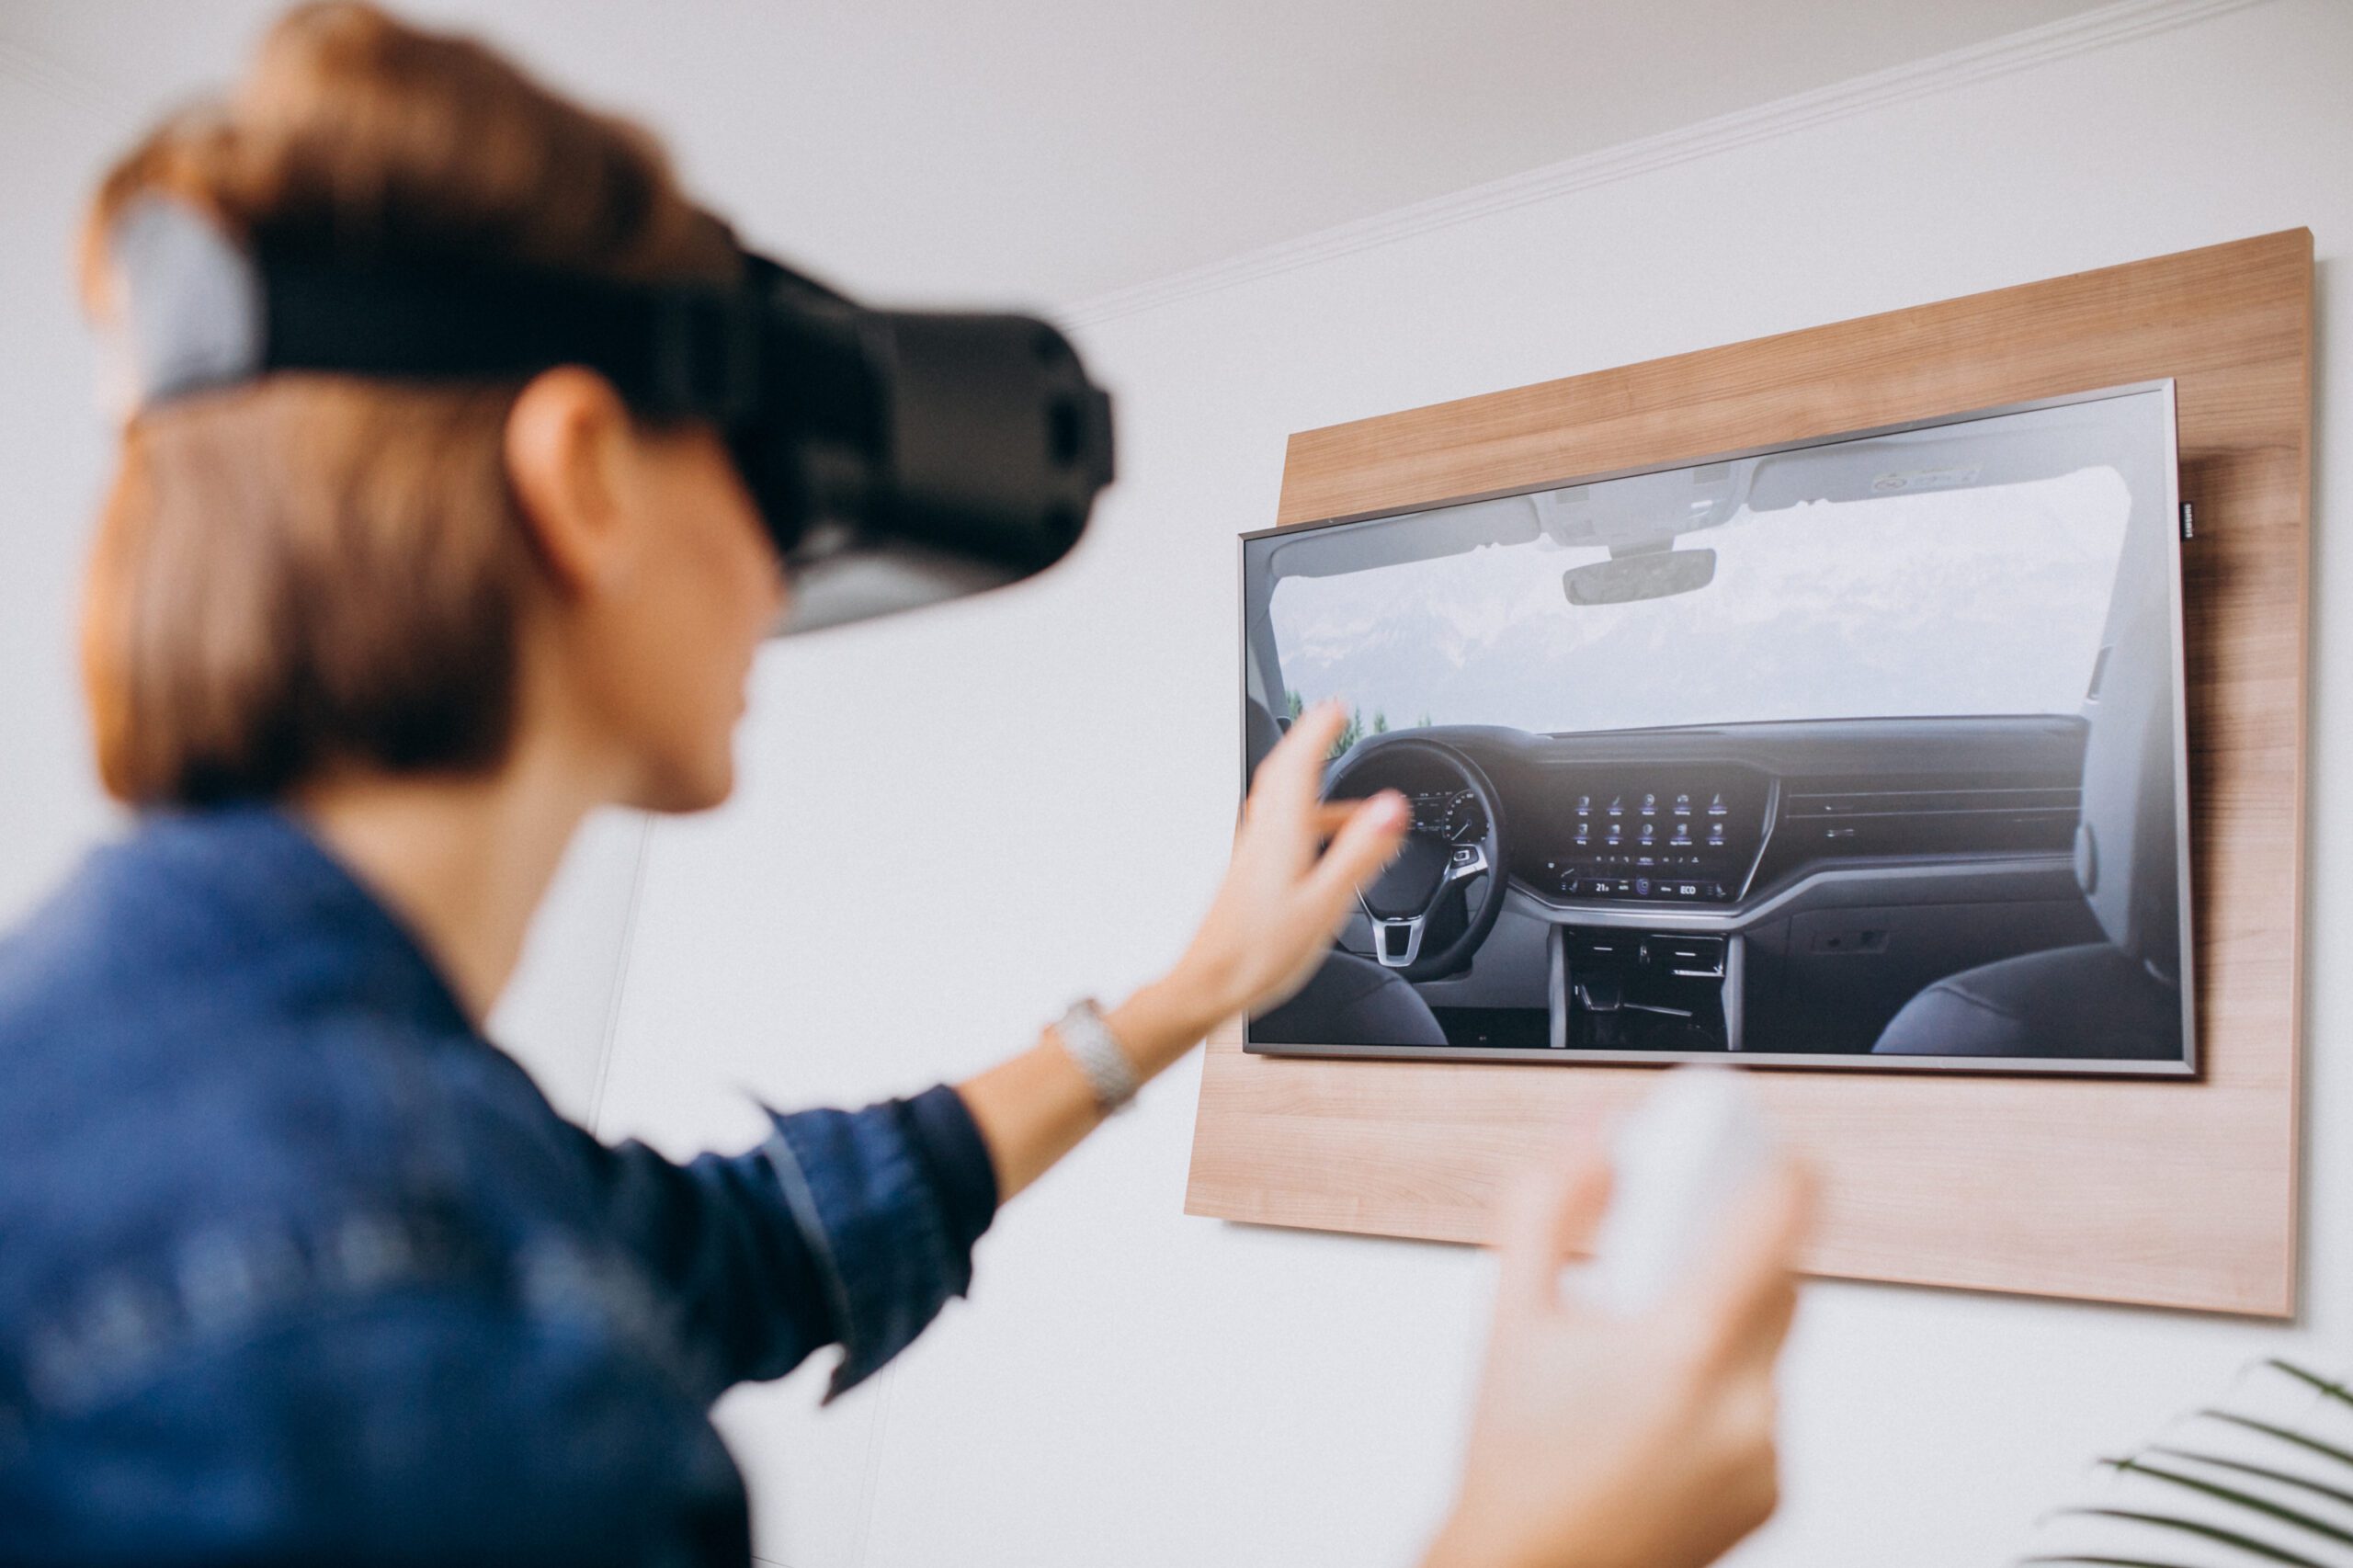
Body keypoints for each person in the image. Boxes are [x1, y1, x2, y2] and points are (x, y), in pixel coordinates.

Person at [0, 6, 1811, 1565]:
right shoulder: (366, 1304)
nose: (781, 570)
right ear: (586, 479)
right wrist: (1540, 1535)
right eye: (760, 479)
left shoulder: (215, 1083)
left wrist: (1200, 988)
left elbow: (759, 1245)